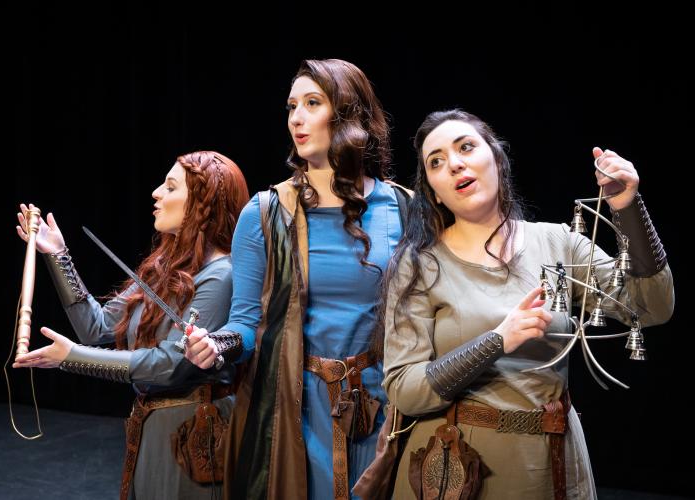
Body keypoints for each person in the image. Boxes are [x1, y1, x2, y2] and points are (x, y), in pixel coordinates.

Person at [381, 109, 674, 499]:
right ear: (433, 190)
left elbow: (652, 307)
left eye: (466, 147)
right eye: (436, 162)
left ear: (496, 160)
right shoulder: (419, 264)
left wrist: (627, 207)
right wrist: (496, 340)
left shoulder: (558, 243)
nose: (454, 164)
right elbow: (405, 389)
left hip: (555, 463)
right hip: (463, 470)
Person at [185, 59, 409, 500]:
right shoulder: (266, 212)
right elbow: (245, 324)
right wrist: (216, 346)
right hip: (295, 412)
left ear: (349, 114)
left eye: (312, 103)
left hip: (382, 409)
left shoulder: (404, 207)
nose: (297, 118)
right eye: (291, 107)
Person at [13, 151, 249, 500]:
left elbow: (169, 366)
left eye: (170, 187)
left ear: (204, 203)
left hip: (195, 435)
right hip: (151, 427)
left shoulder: (220, 276)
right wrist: (59, 256)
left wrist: (72, 357)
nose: (156, 193)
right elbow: (96, 327)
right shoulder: (163, 268)